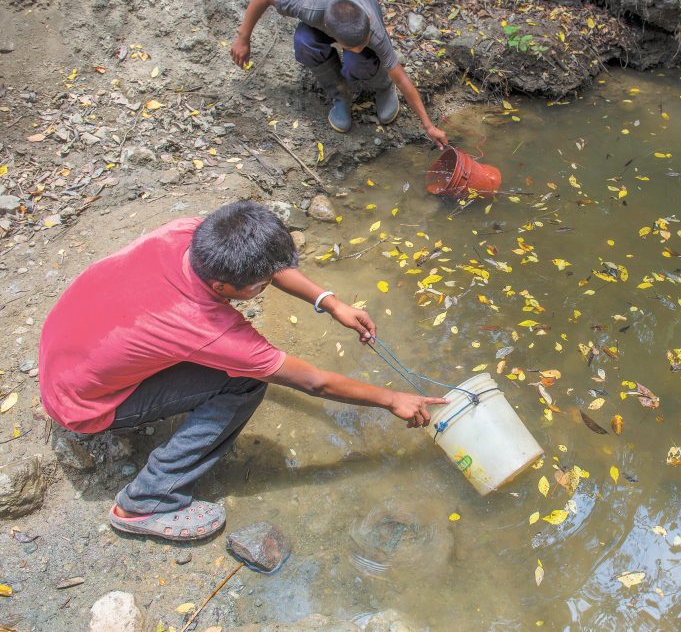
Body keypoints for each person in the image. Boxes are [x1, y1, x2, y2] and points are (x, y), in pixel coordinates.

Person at [38, 201, 447, 542]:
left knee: (210, 357)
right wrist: (392, 398)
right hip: (81, 402)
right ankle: (147, 502)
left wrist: (329, 301)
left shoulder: (189, 235)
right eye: (262, 285)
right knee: (247, 381)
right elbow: (313, 382)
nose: (268, 284)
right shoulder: (207, 329)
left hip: (65, 353)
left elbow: (266, 263)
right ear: (222, 288)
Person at [231, 0, 448, 146]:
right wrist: (243, 37)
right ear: (334, 37)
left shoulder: (374, 31)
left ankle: (383, 87)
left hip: (358, 3)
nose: (363, 47)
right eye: (355, 47)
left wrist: (428, 126)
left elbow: (403, 79)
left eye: (365, 44)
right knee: (304, 42)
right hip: (328, 3)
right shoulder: (309, 8)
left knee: (356, 63)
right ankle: (339, 93)